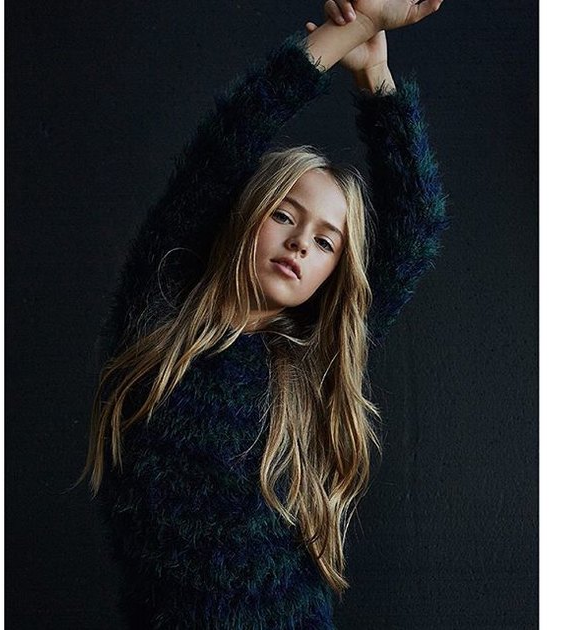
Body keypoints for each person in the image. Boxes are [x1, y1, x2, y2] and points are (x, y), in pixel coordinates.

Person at [76, 0, 449, 627]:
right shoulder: (162, 312)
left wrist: (376, 79)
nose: (301, 243)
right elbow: (229, 138)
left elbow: (416, 223)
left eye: (326, 242)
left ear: (335, 271)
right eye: (284, 215)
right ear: (248, 214)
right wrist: (347, 33)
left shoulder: (314, 357)